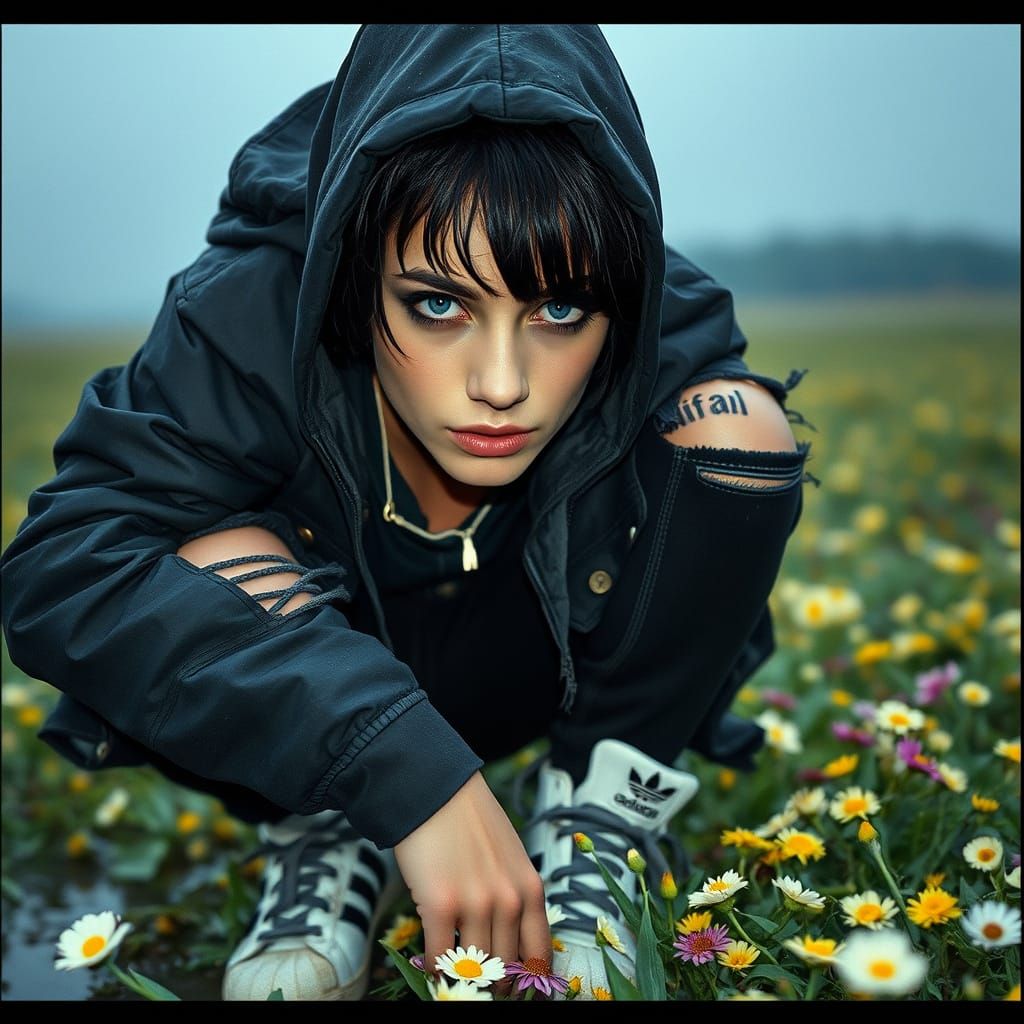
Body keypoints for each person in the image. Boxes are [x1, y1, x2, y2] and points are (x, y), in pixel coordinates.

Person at [0, 24, 818, 1001]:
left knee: (742, 432)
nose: (503, 384)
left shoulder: (649, 295)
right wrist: (389, 758)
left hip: (537, 665)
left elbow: (712, 516)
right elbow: (66, 562)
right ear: (356, 270)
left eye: (559, 314)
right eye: (437, 305)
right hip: (313, 668)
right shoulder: (254, 302)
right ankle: (331, 820)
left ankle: (599, 814)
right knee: (192, 537)